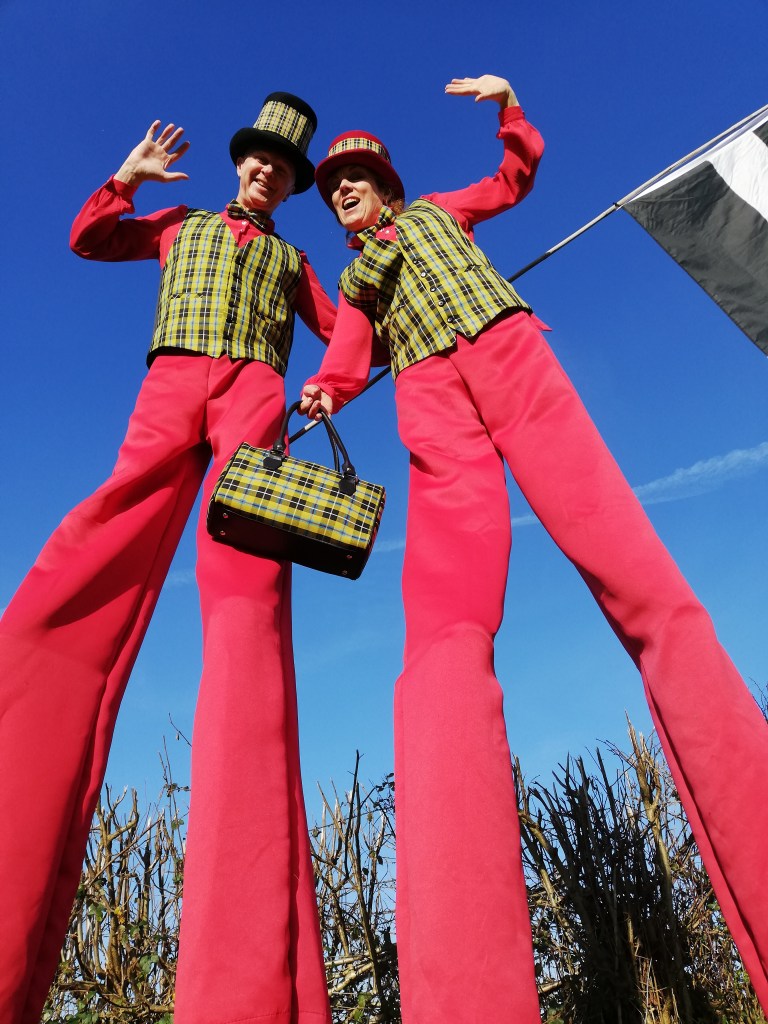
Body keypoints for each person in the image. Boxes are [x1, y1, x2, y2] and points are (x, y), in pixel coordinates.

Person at [300, 75, 768, 1022]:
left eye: (354, 176)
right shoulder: (356, 276)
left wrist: (511, 108)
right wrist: (325, 393)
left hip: (511, 354)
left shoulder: (439, 209)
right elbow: (349, 355)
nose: (344, 189)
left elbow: (514, 179)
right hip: (430, 398)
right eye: (334, 185)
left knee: (637, 571)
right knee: (444, 632)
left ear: (384, 180)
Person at [0, 94, 336, 1024]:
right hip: (174, 376)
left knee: (246, 594)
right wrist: (124, 178)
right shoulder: (180, 222)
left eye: (283, 166)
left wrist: (333, 378)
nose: (266, 171)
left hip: (255, 396)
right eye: (258, 158)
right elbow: (88, 240)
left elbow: (342, 325)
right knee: (100, 532)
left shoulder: (293, 259)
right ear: (242, 165)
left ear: (295, 183)